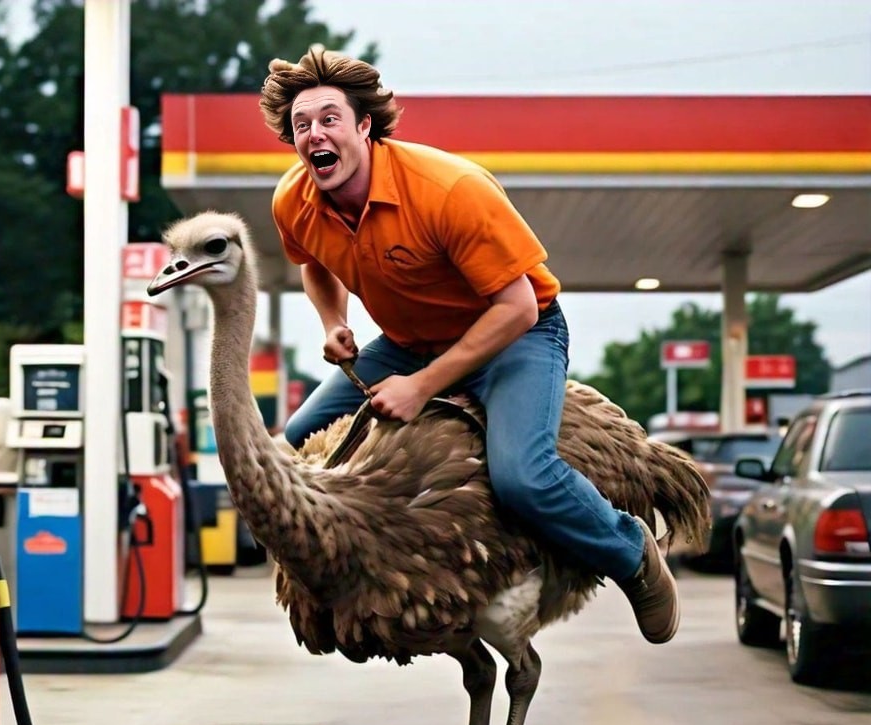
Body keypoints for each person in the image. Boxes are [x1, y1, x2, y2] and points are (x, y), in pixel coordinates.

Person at [258, 46, 679, 644]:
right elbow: (313, 265)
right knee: (290, 445)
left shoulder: (448, 189)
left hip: (516, 334)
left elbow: (518, 306)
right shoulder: (293, 199)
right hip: (407, 340)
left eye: (329, 118)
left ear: (364, 125)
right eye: (302, 125)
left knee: (523, 478)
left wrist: (423, 386)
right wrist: (333, 323)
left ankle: (631, 552)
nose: (314, 134)